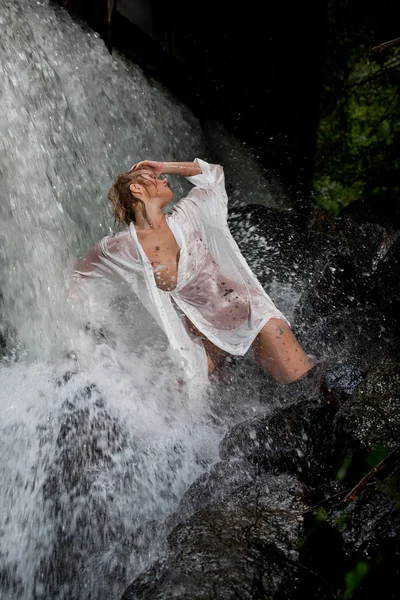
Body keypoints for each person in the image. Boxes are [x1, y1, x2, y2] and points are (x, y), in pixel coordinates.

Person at [73, 159, 312, 385]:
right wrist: (85, 312)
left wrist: (164, 165)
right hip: (206, 334)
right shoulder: (126, 246)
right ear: (137, 189)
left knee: (306, 388)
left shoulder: (189, 213)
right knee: (177, 386)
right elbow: (81, 273)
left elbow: (214, 175)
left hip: (252, 315)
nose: (163, 179)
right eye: (153, 177)